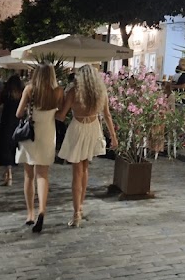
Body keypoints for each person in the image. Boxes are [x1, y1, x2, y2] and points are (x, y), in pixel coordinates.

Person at [57, 64, 118, 228]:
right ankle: (81, 207)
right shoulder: (100, 93)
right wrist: (113, 136)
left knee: (77, 172)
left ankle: (76, 212)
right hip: (93, 129)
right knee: (84, 169)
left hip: (77, 128)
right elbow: (107, 115)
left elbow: (61, 116)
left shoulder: (73, 92)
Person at [15, 63, 64, 232]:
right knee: (42, 175)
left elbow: (19, 113)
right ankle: (42, 211)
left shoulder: (30, 90)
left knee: (28, 175)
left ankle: (30, 214)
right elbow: (61, 115)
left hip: (31, 134)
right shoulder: (58, 91)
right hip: (47, 134)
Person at [0, 75, 24, 185]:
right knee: (12, 147)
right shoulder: (21, 94)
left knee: (5, 148)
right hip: (16, 123)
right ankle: (8, 173)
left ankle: (8, 174)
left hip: (5, 123)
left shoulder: (6, 94)